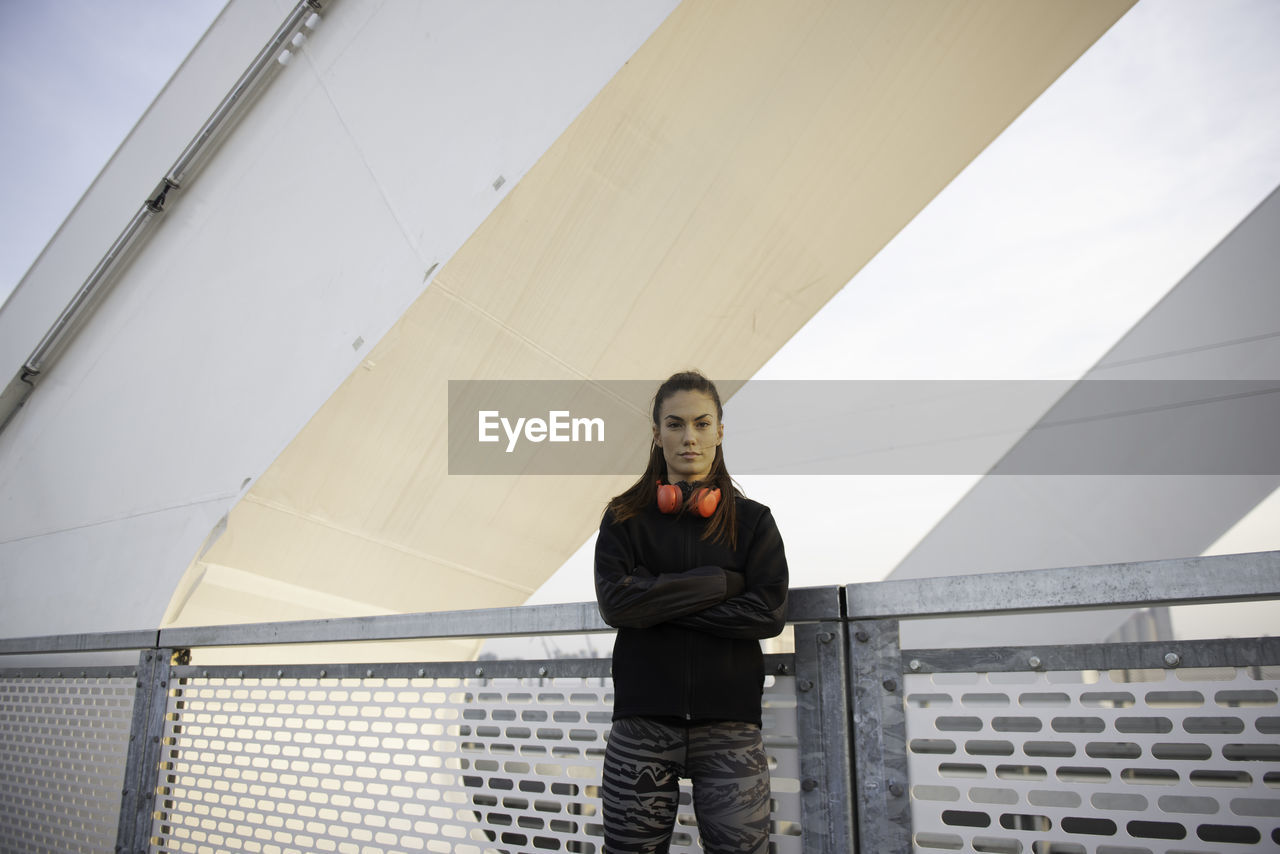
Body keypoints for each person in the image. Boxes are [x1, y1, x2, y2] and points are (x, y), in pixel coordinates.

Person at [594, 370, 790, 854]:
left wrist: (654, 603)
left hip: (730, 728)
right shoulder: (623, 516)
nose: (689, 438)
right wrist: (721, 584)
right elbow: (615, 604)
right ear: (657, 434)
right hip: (642, 726)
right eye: (676, 424)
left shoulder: (754, 521)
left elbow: (767, 613)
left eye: (702, 424)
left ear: (720, 432)